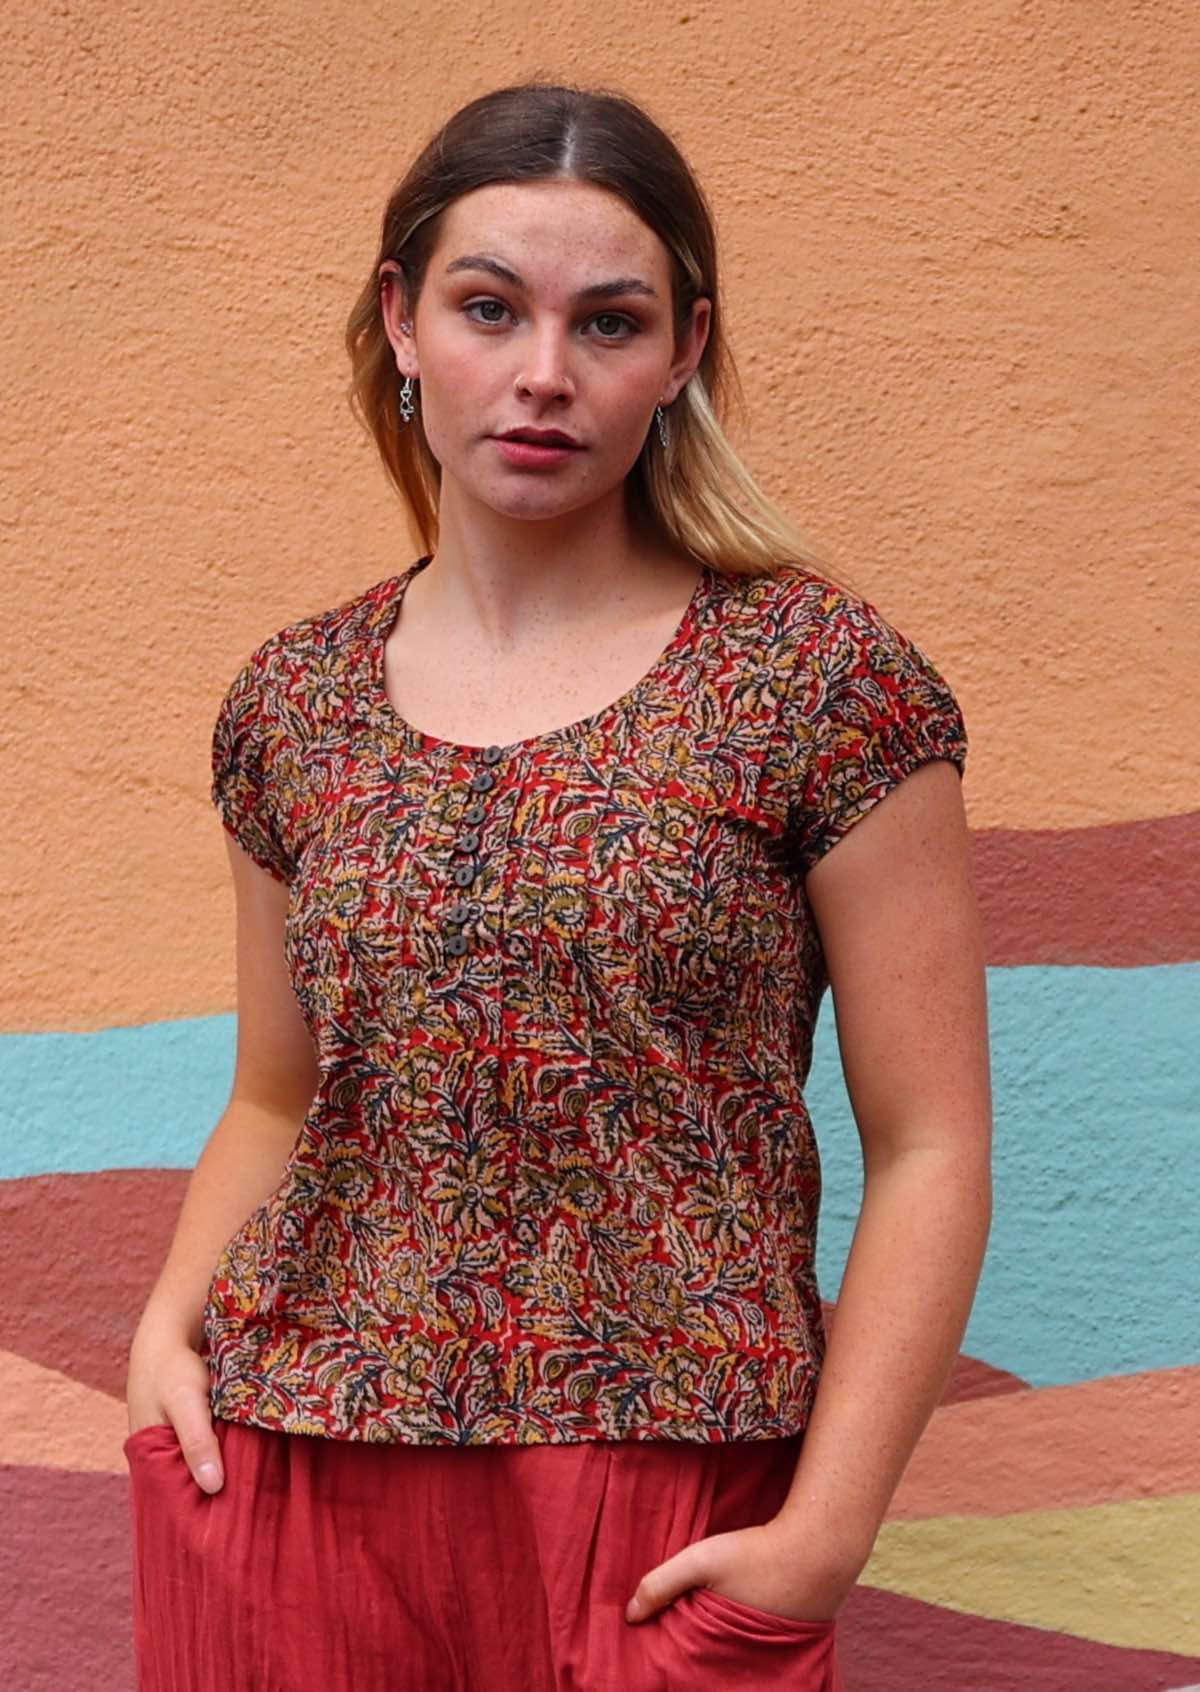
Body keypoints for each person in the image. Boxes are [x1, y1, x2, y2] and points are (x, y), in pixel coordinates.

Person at [122, 78, 993, 1692]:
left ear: (682, 354)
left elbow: (934, 1141)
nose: (542, 374)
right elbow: (273, 1094)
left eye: (608, 323)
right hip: (289, 1465)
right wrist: (165, 1332)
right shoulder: (294, 700)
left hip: (664, 1500)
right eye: (487, 307)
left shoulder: (815, 678)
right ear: (400, 322)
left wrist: (828, 1532)